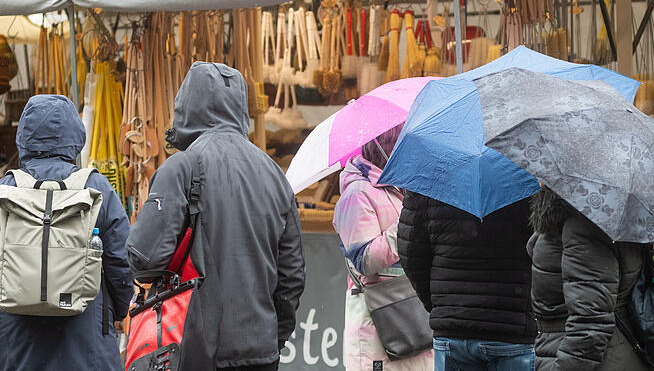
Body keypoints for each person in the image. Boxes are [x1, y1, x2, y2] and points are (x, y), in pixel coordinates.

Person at [127, 62, 306, 370]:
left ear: (186, 105)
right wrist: (271, 340)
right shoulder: (275, 174)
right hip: (260, 353)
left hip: (189, 347)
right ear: (239, 105)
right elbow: (291, 278)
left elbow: (144, 260)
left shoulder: (180, 167)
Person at [0, 95, 133, 371]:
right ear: (75, 136)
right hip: (87, 340)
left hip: (16, 340)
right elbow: (121, 261)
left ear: (24, 136)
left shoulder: (7, 188)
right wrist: (120, 310)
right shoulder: (97, 187)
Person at [397, 190, 536, 371]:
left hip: (452, 329)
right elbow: (544, 251)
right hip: (513, 328)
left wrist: (441, 304)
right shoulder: (528, 180)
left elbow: (411, 254)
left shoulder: (431, 178)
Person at [333, 125, 434, 370]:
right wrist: (406, 224)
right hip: (379, 328)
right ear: (383, 146)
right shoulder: (357, 193)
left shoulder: (404, 187)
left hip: (415, 319)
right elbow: (365, 261)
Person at [527, 186, 654, 371]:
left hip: (592, 358)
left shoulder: (583, 223)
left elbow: (590, 323)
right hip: (615, 351)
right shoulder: (612, 213)